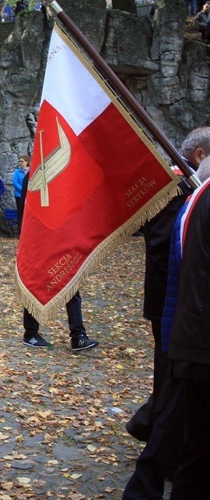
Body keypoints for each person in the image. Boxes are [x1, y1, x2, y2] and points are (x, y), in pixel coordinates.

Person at [122, 143, 210, 500]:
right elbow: (161, 243)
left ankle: (152, 465)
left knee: (184, 412)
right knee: (175, 398)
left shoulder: (193, 190)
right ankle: (149, 471)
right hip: (180, 315)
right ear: (200, 154)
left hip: (186, 319)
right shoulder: (177, 190)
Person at [18, 167, 99, 351]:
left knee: (71, 284)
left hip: (62, 236)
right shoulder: (32, 175)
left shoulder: (64, 170)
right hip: (39, 239)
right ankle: (30, 333)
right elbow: (25, 209)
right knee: (35, 284)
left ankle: (78, 336)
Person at [12, 156, 29, 222]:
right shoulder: (17, 172)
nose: (20, 163)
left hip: (29, 195)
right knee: (20, 213)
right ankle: (20, 231)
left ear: (27, 162)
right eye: (19, 161)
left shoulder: (30, 171)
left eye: (22, 161)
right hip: (19, 195)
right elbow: (15, 182)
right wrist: (23, 190)